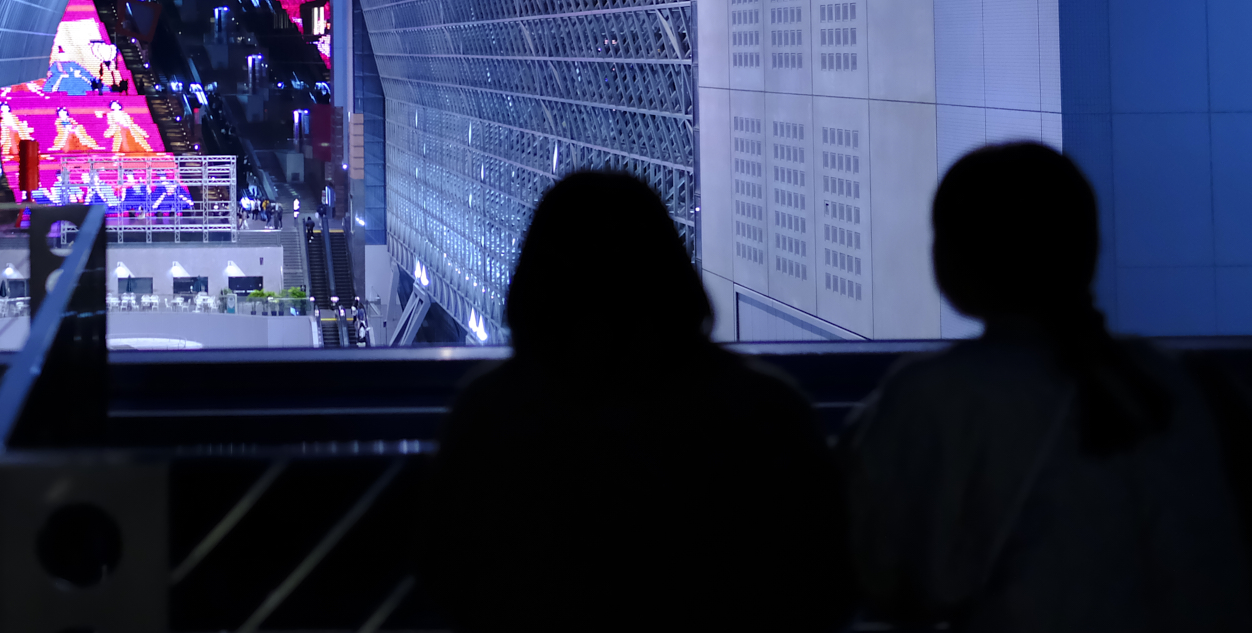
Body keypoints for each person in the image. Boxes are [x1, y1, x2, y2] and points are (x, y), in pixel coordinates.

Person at [840, 142, 1248, 631]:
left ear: (952, 260)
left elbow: (875, 570)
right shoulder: (1180, 384)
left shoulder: (939, 396)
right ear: (1091, 250)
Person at [422, 170, 852, 632]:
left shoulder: (491, 415)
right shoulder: (765, 410)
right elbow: (824, 578)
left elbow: (449, 579)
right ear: (672, 274)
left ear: (537, 282)